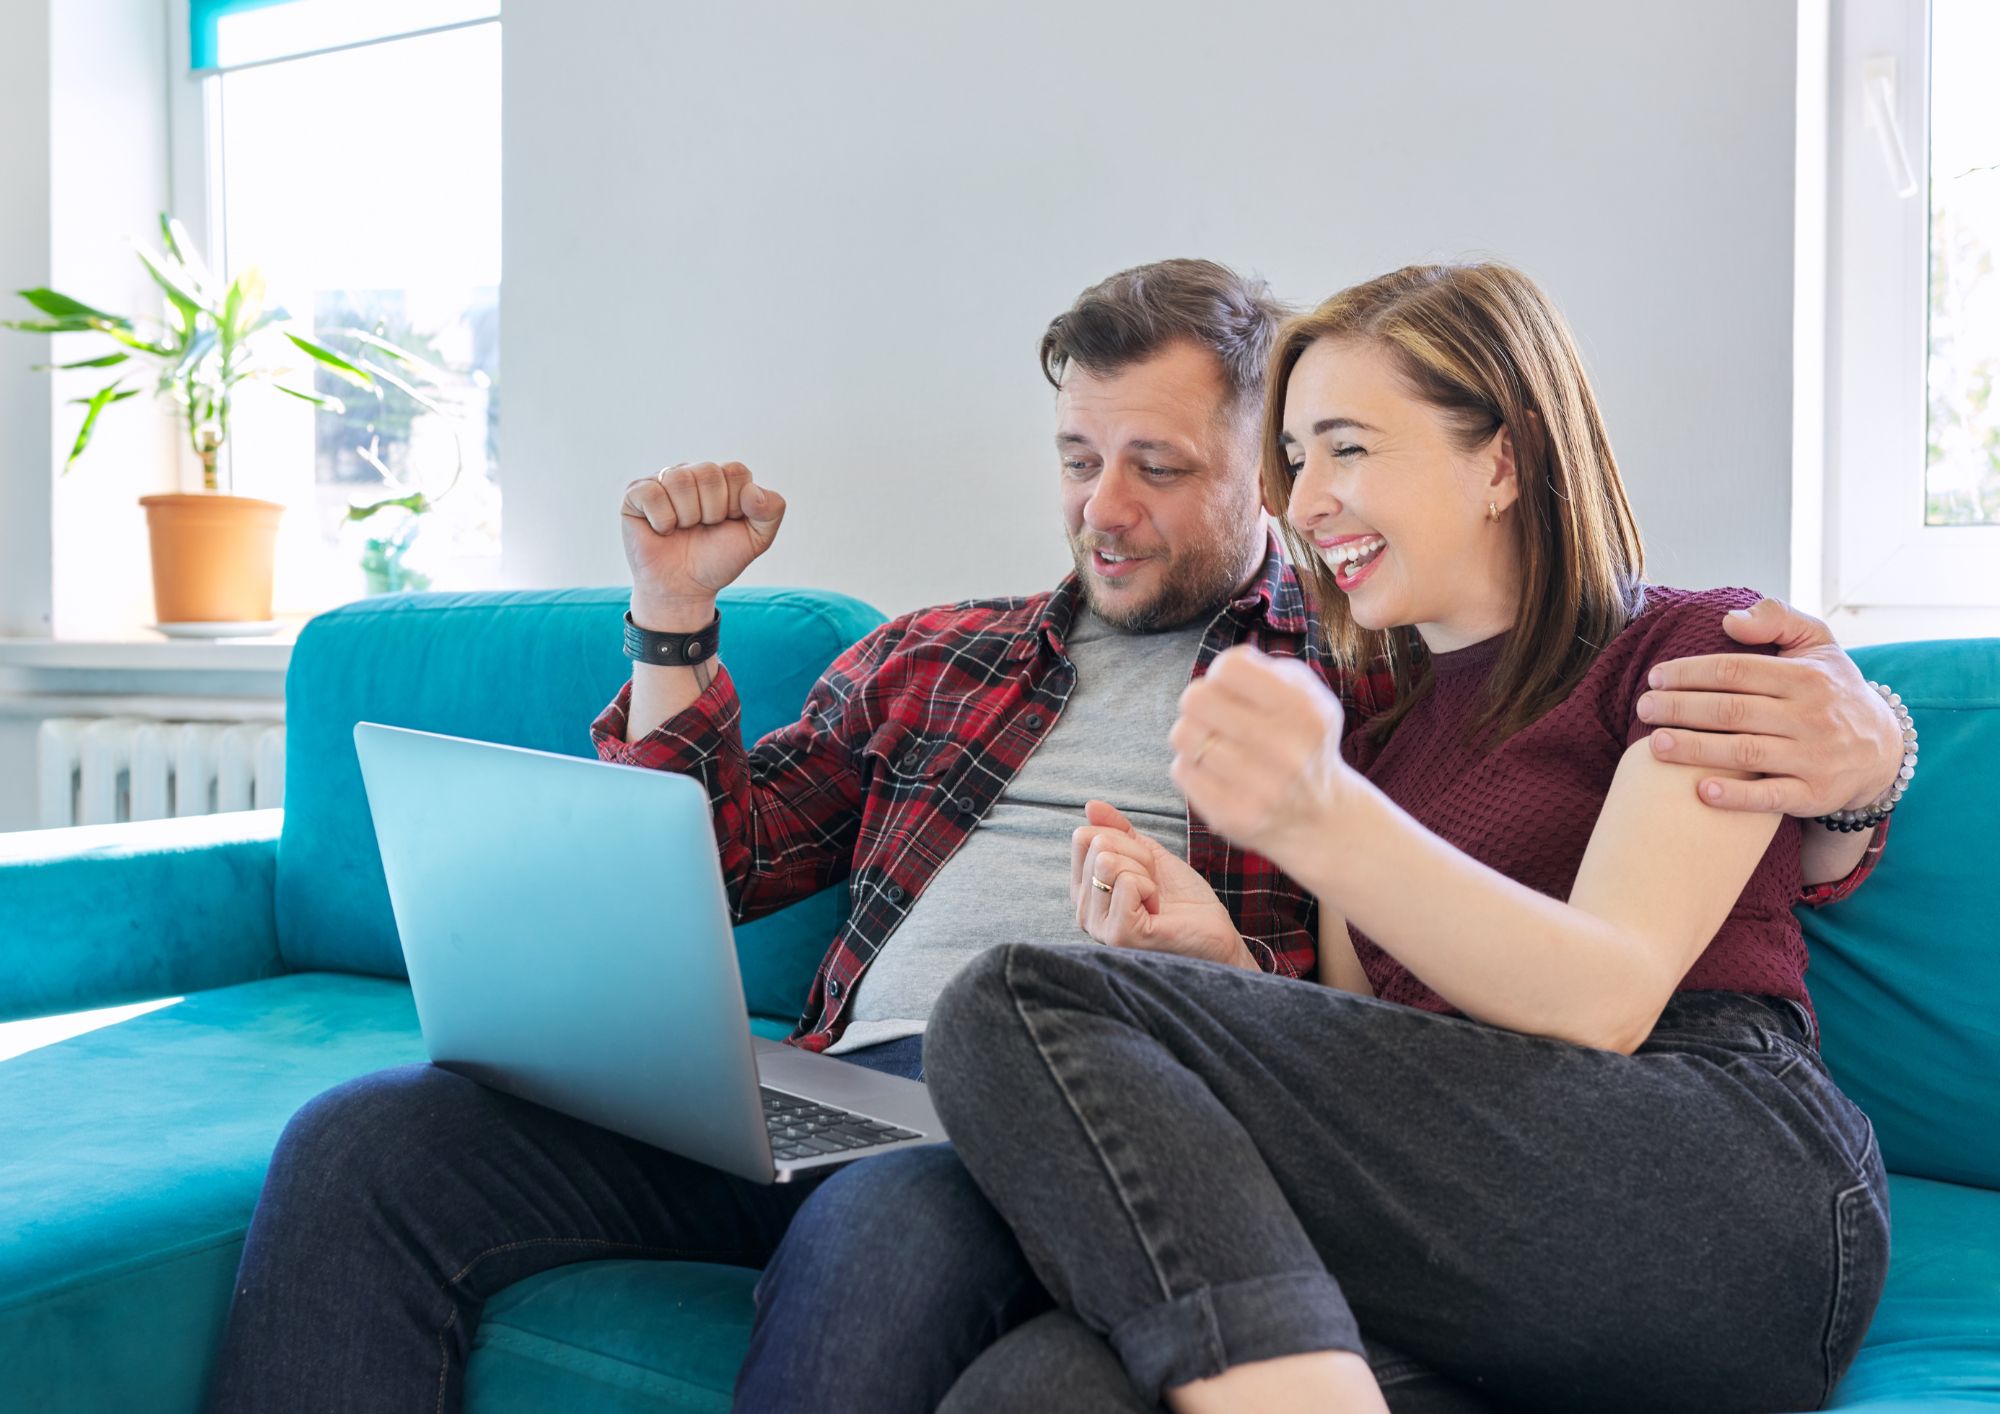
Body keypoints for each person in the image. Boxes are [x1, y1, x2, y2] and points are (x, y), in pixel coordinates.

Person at [202, 261, 1903, 1413]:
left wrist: (1867, 758)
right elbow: (705, 865)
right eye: (1082, 457)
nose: (1108, 503)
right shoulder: (948, 655)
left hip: (1033, 1134)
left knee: (981, 1061)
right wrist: (669, 630)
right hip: (847, 1085)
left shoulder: (1342, 678)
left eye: (1165, 462)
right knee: (371, 1138)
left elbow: (1640, 922)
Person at [787, 262, 1899, 1414]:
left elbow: (1604, 999)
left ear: (1503, 459)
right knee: (1033, 1390)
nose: (1304, 502)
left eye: (1346, 449)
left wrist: (1320, 819)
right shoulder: (1374, 730)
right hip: (1469, 1241)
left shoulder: (1691, 651)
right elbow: (1368, 1049)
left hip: (1713, 1186)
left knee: (1013, 998)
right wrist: (1218, 962)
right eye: (1295, 459)